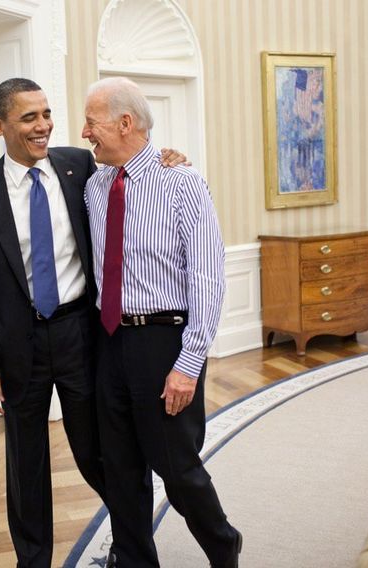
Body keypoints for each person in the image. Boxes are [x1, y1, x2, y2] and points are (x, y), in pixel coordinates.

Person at [0, 77, 186, 568]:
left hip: (82, 335)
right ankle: (32, 561)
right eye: (29, 118)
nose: (45, 126)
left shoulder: (80, 167)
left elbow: (131, 161)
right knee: (27, 466)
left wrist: (168, 157)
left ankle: (133, 551)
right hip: (17, 347)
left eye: (47, 113)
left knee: (105, 455)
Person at [82, 76, 242, 568]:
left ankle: (223, 546)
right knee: (120, 468)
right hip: (108, 342)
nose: (84, 133)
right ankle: (133, 560)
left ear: (125, 123)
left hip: (163, 342)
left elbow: (209, 278)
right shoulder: (93, 186)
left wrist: (189, 363)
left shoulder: (182, 182)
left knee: (176, 467)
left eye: (92, 122)